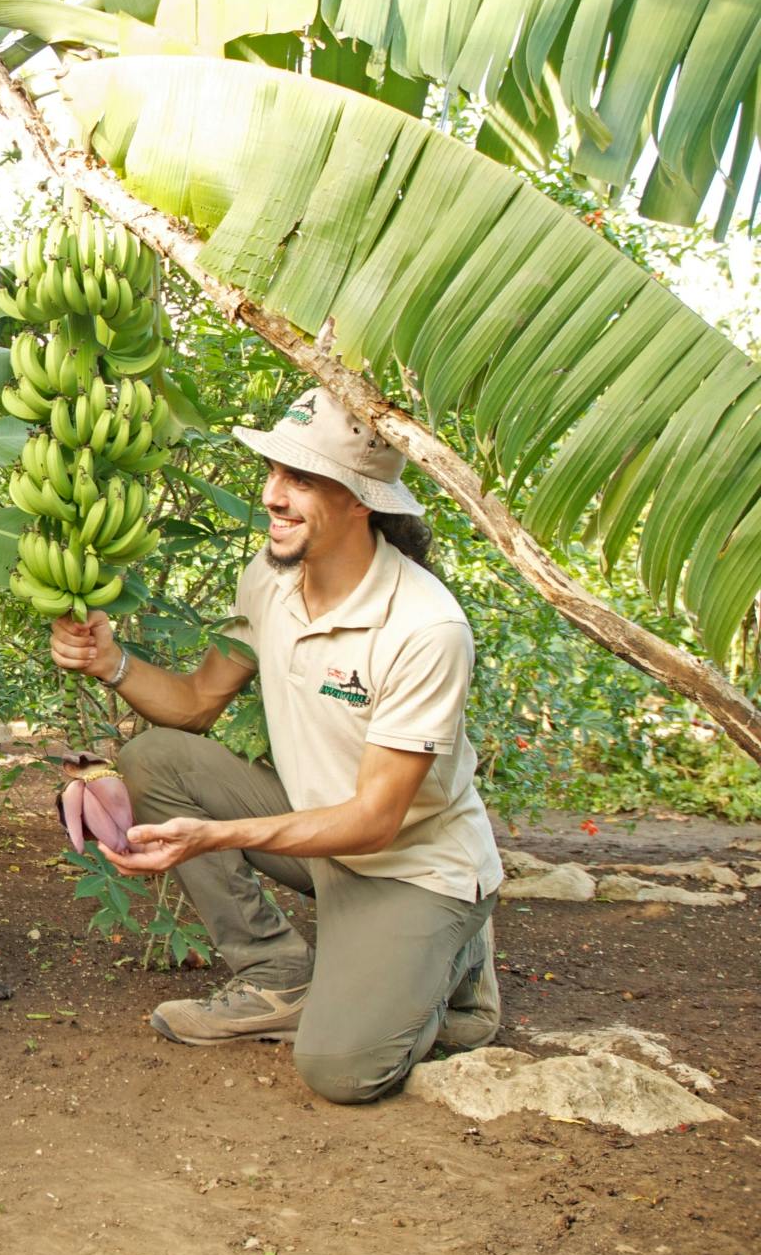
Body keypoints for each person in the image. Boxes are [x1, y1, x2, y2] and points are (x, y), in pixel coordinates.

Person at [50, 387, 502, 1104]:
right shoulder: (269, 578)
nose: (273, 495)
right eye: (272, 472)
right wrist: (111, 662)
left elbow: (377, 819)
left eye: (302, 478)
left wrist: (214, 835)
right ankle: (275, 972)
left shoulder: (424, 626)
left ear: (363, 500)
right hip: (319, 835)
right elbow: (198, 703)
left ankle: (454, 965)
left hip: (412, 864)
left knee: (341, 1069)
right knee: (154, 759)